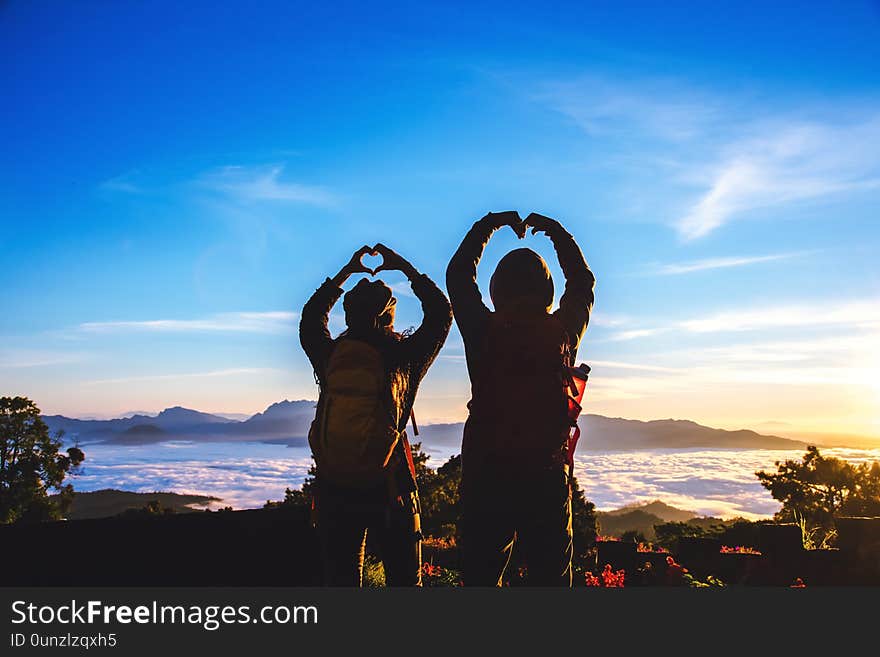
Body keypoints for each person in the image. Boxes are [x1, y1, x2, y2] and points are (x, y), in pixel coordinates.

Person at [446, 211, 595, 586]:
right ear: (547, 291)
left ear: (496, 290)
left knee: (481, 578)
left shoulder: (481, 330)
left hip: (487, 474)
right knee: (551, 581)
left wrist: (489, 225)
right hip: (546, 475)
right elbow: (582, 283)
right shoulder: (563, 333)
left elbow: (459, 276)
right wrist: (558, 233)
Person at [300, 243, 452, 586]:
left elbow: (311, 319)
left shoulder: (329, 355)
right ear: (389, 318)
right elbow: (442, 313)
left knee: (342, 581)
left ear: (348, 315)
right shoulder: (403, 358)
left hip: (335, 488)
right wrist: (404, 268)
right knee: (403, 584)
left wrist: (346, 272)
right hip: (390, 488)